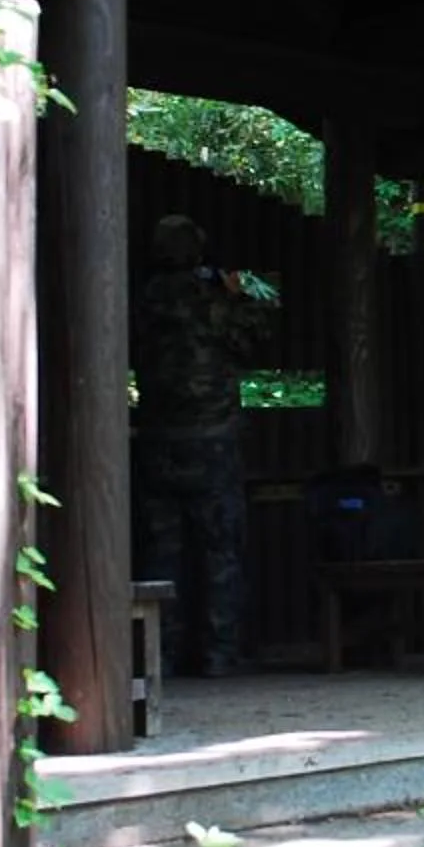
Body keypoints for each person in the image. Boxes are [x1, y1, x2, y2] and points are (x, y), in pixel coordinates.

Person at [131, 214, 277, 676]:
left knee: (160, 553)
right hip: (213, 443)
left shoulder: (142, 300)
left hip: (157, 442)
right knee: (221, 552)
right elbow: (260, 329)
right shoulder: (213, 297)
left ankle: (163, 657)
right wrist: (238, 289)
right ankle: (219, 654)